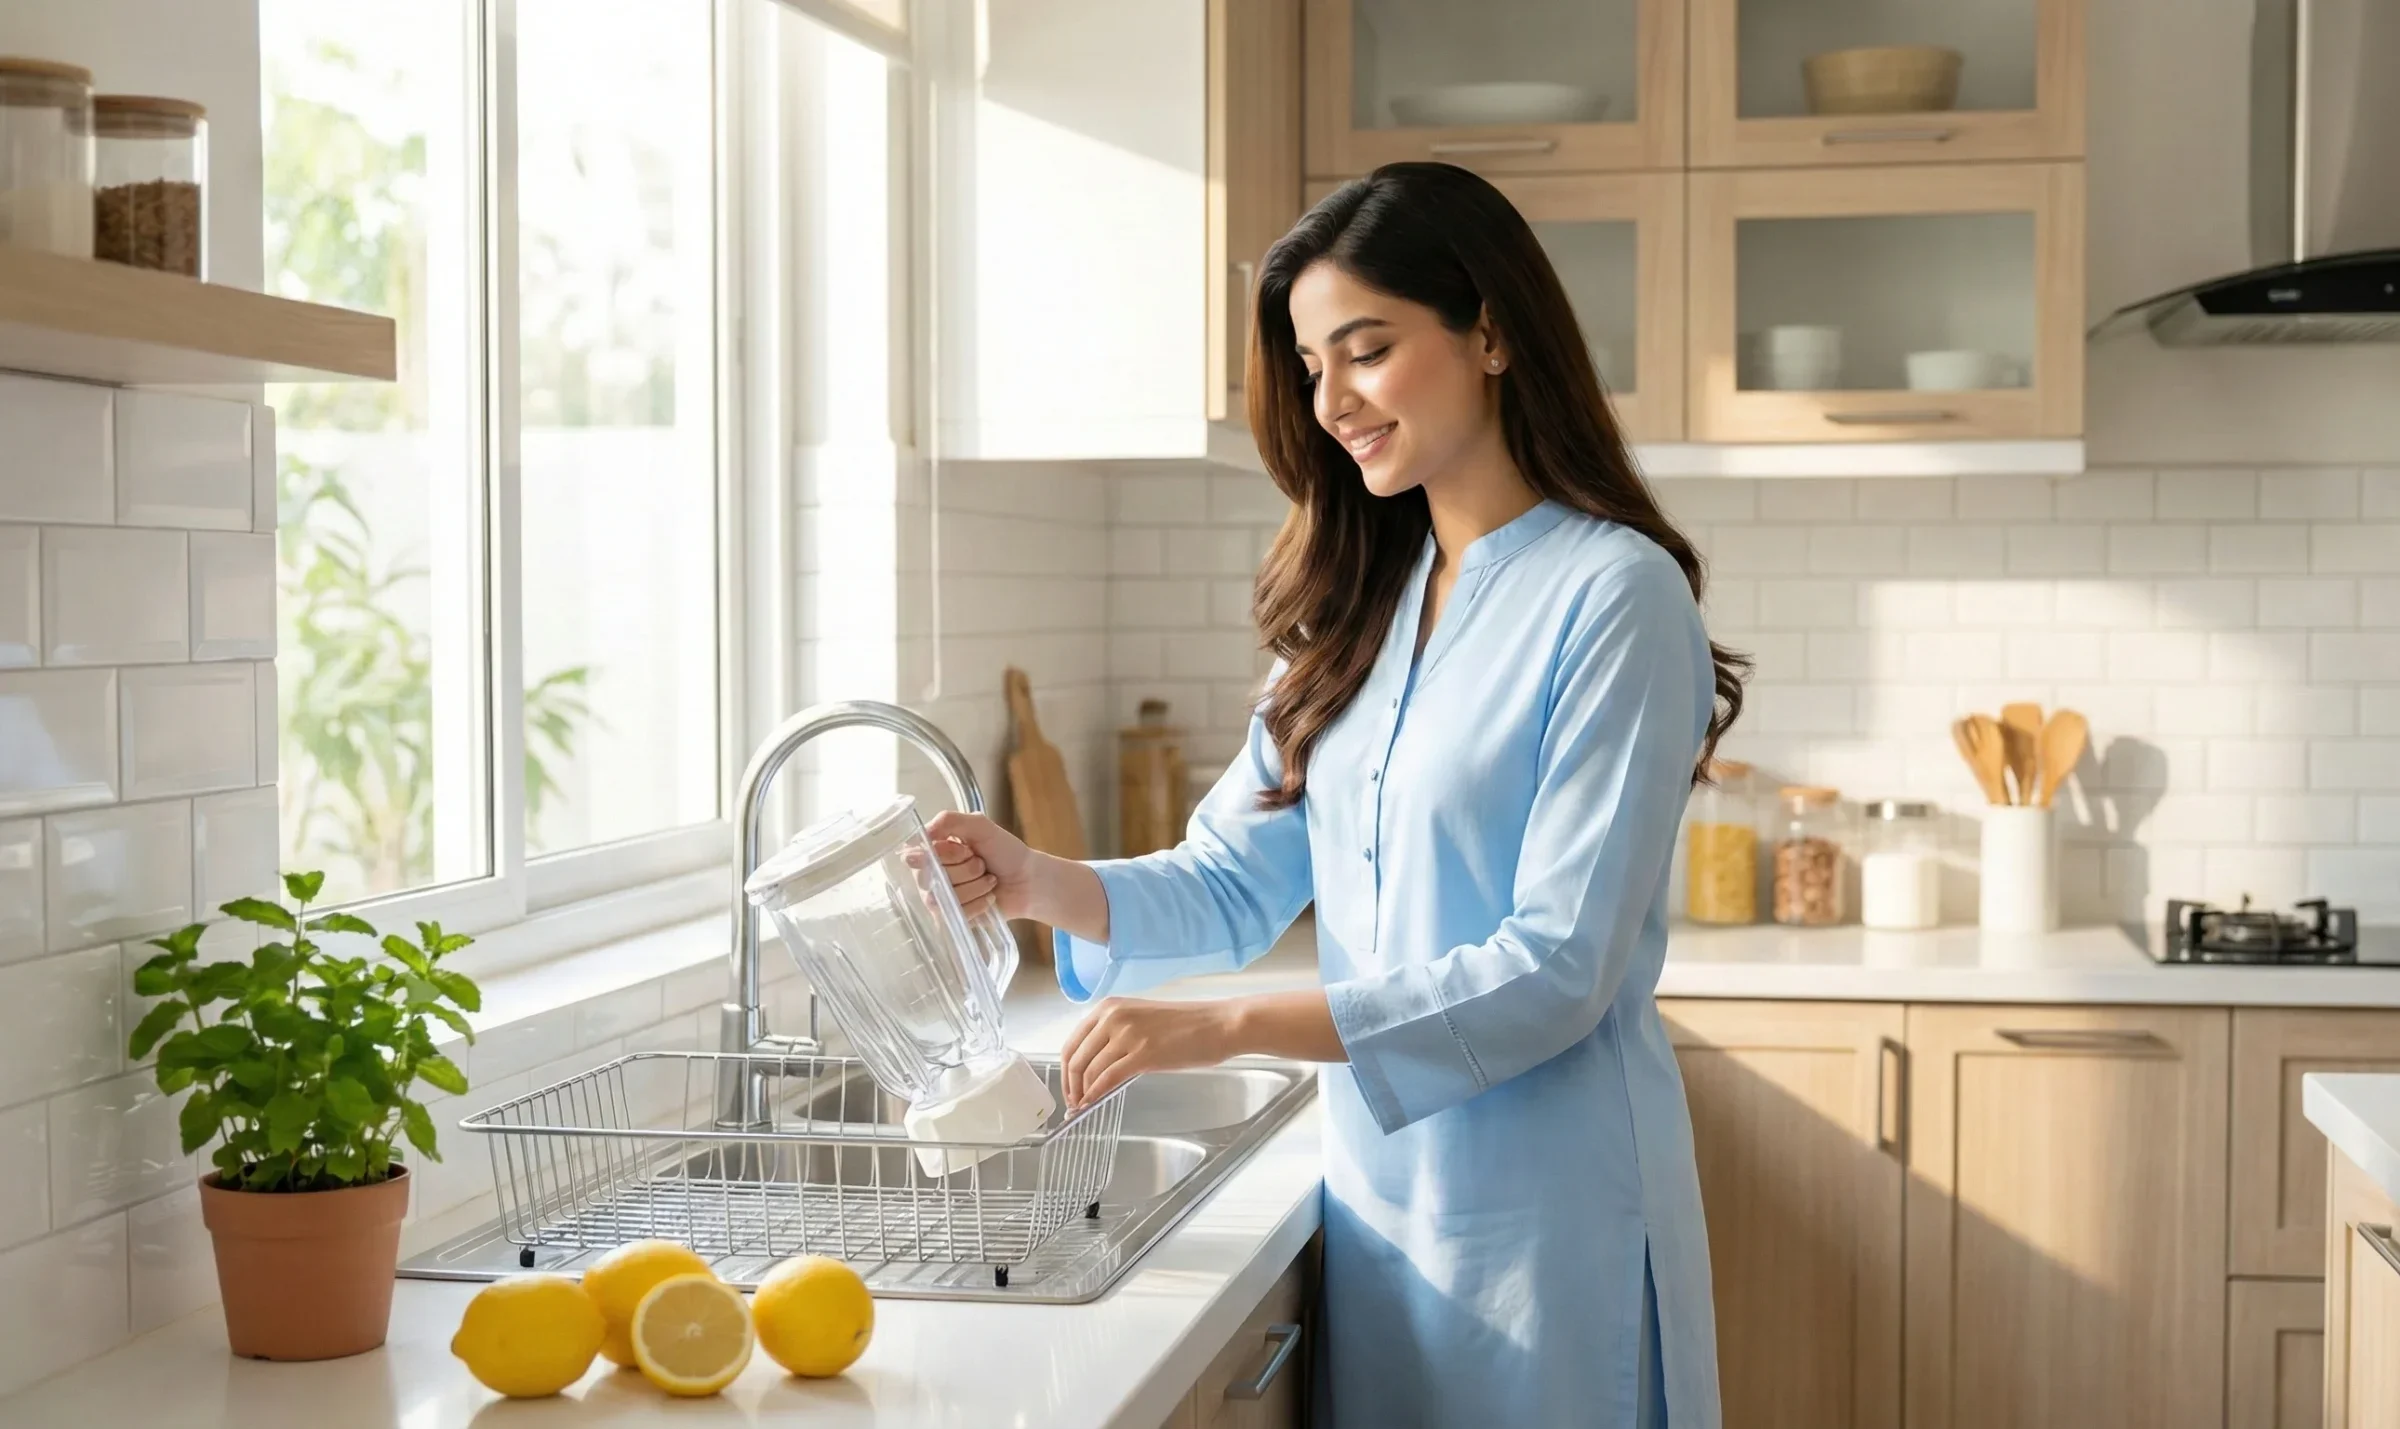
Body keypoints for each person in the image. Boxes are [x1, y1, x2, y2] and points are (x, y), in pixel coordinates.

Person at [928, 161, 1748, 1428]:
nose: (1334, 400)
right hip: (1382, 1198)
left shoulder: (1616, 596)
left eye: (1366, 350)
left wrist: (1224, 1025)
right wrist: (1040, 881)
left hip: (1553, 1215)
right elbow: (1231, 874)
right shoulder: (1354, 604)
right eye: (1314, 366)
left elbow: (1557, 966)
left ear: (1490, 330)